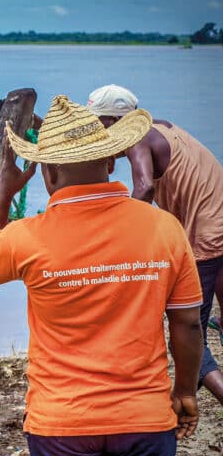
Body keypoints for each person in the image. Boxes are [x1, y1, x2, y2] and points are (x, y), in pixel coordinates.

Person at [0, 95, 203, 456]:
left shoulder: (26, 237)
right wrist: (184, 393)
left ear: (48, 175)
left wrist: (3, 191)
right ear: (109, 159)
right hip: (143, 418)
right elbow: (186, 323)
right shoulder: (164, 229)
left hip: (62, 425)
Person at [88, 84, 223, 414]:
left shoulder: (137, 139)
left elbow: (145, 187)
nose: (97, 133)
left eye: (97, 125)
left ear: (112, 121)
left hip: (207, 239)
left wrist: (119, 236)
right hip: (219, 225)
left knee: (191, 335)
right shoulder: (159, 128)